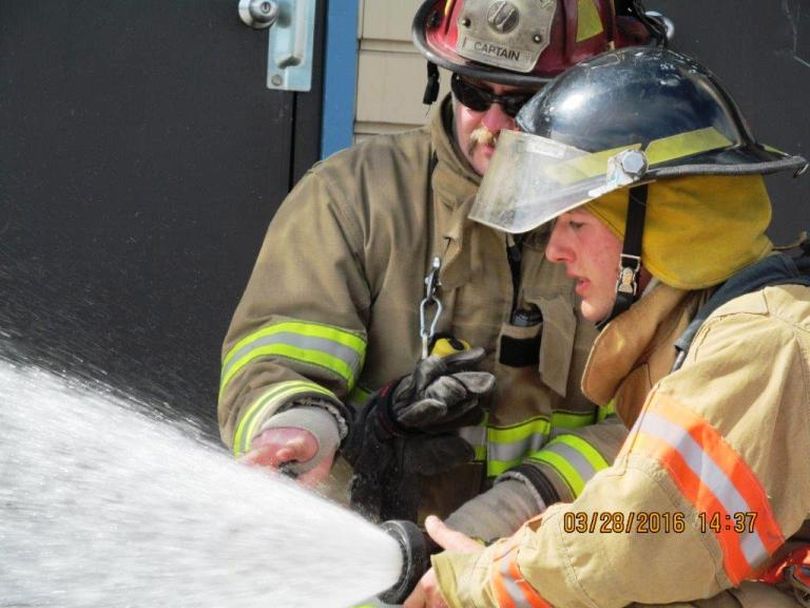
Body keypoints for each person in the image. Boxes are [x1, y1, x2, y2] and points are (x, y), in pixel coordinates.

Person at [217, 0, 667, 539]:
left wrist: (518, 507)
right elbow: (273, 357)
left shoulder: (634, 226)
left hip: (545, 567)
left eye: (524, 102)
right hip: (369, 566)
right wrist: (303, 425)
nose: (493, 126)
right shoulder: (353, 198)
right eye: (474, 93)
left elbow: (660, 426)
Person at [406, 46, 810, 607]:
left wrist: (481, 580)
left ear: (663, 228)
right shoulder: (710, 326)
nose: (555, 251)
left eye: (575, 222)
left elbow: (637, 539)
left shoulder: (764, 342)